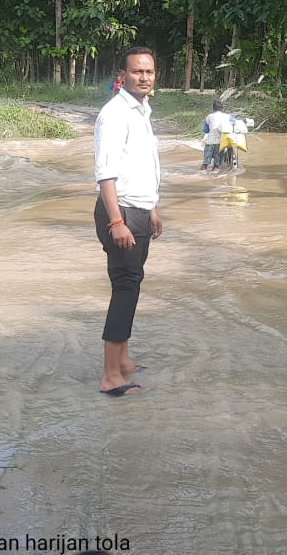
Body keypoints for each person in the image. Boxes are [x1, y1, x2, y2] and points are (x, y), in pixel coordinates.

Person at [93, 46, 162, 396]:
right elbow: (106, 174)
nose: (144, 77)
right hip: (120, 212)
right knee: (125, 288)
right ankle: (110, 376)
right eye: (137, 71)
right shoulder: (115, 114)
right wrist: (116, 221)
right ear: (123, 75)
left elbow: (140, 167)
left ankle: (122, 362)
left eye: (149, 71)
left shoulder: (141, 110)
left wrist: (152, 209)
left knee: (131, 285)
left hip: (139, 210)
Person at [201, 100, 225, 172]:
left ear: (213, 108)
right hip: (220, 143)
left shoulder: (209, 116)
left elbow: (205, 130)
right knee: (216, 165)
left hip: (210, 142)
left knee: (205, 163)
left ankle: (202, 172)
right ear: (222, 108)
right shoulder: (226, 116)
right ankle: (215, 172)